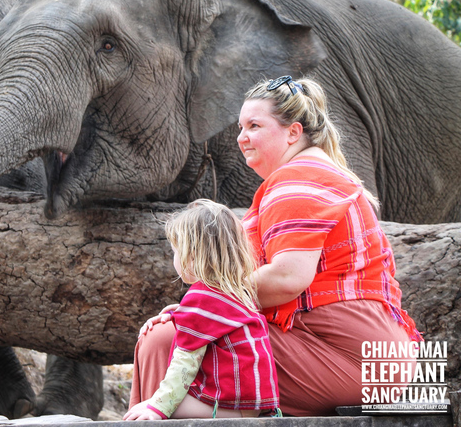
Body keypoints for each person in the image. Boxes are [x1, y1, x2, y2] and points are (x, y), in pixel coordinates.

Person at [128, 76, 422, 416]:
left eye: (254, 125)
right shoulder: (313, 172)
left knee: (164, 340)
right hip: (371, 360)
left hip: (347, 355)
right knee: (177, 335)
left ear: (293, 132)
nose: (242, 137)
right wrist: (198, 311)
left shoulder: (297, 178)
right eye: (240, 127)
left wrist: (201, 309)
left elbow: (286, 278)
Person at [123, 199, 280, 421]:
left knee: (150, 405)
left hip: (229, 406)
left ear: (192, 255)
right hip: (252, 404)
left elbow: (184, 365)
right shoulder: (233, 291)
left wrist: (156, 408)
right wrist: (179, 313)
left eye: (175, 252)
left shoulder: (201, 298)